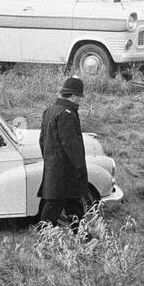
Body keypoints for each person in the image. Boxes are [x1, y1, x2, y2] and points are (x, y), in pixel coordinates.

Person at [37, 76, 90, 228]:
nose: (80, 100)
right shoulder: (67, 114)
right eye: (79, 96)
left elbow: (42, 140)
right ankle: (44, 239)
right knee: (54, 207)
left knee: (73, 205)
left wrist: (49, 159)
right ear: (73, 96)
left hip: (54, 167)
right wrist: (79, 167)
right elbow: (71, 144)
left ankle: (83, 237)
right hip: (66, 171)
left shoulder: (50, 111)